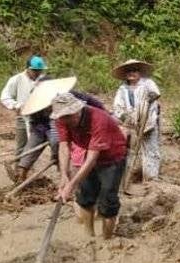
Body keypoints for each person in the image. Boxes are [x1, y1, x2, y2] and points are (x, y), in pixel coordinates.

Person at [51, 92, 128, 239]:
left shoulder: (99, 119)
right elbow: (64, 146)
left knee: (107, 201)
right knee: (85, 197)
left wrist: (70, 185)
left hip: (112, 158)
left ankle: (106, 240)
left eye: (69, 116)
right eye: (62, 117)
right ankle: (89, 236)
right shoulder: (62, 120)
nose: (65, 120)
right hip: (91, 154)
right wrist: (64, 176)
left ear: (78, 110)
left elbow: (93, 158)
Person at [111, 59, 161, 181]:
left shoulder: (148, 83)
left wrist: (149, 99)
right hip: (130, 124)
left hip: (148, 120)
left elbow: (155, 94)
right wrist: (124, 117)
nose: (131, 73)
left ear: (139, 72)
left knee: (150, 149)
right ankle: (126, 178)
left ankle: (151, 178)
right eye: (128, 71)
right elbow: (117, 106)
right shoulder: (122, 89)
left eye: (134, 70)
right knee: (129, 151)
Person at [0, 55, 47, 179]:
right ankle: (18, 175)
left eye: (39, 71)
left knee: (35, 147)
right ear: (28, 69)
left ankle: (29, 172)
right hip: (23, 116)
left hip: (40, 118)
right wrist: (15, 106)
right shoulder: (17, 79)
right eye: (35, 71)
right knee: (22, 146)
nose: (37, 74)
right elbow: (5, 96)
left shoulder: (43, 80)